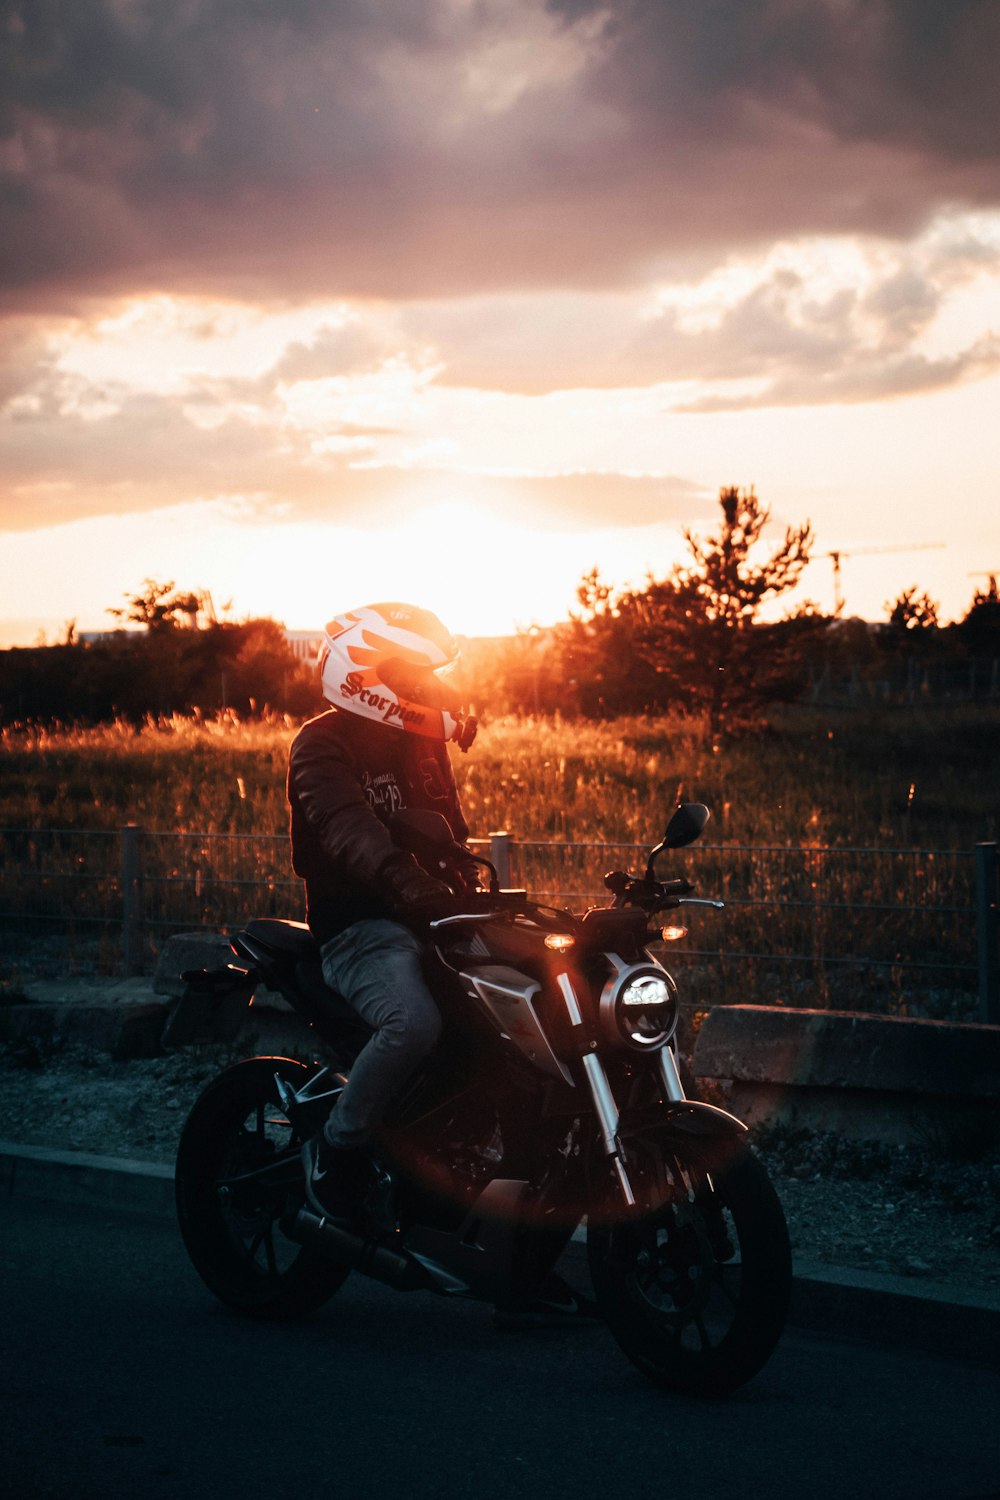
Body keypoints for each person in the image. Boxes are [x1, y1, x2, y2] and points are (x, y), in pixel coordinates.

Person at [287, 602, 480, 1227]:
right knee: (413, 1023)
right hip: (361, 926)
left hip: (436, 917)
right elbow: (347, 827)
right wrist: (404, 879)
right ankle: (336, 1152)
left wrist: (469, 884)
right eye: (413, 675)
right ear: (368, 673)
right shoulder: (321, 744)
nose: (427, 687)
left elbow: (449, 828)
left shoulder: (421, 739)